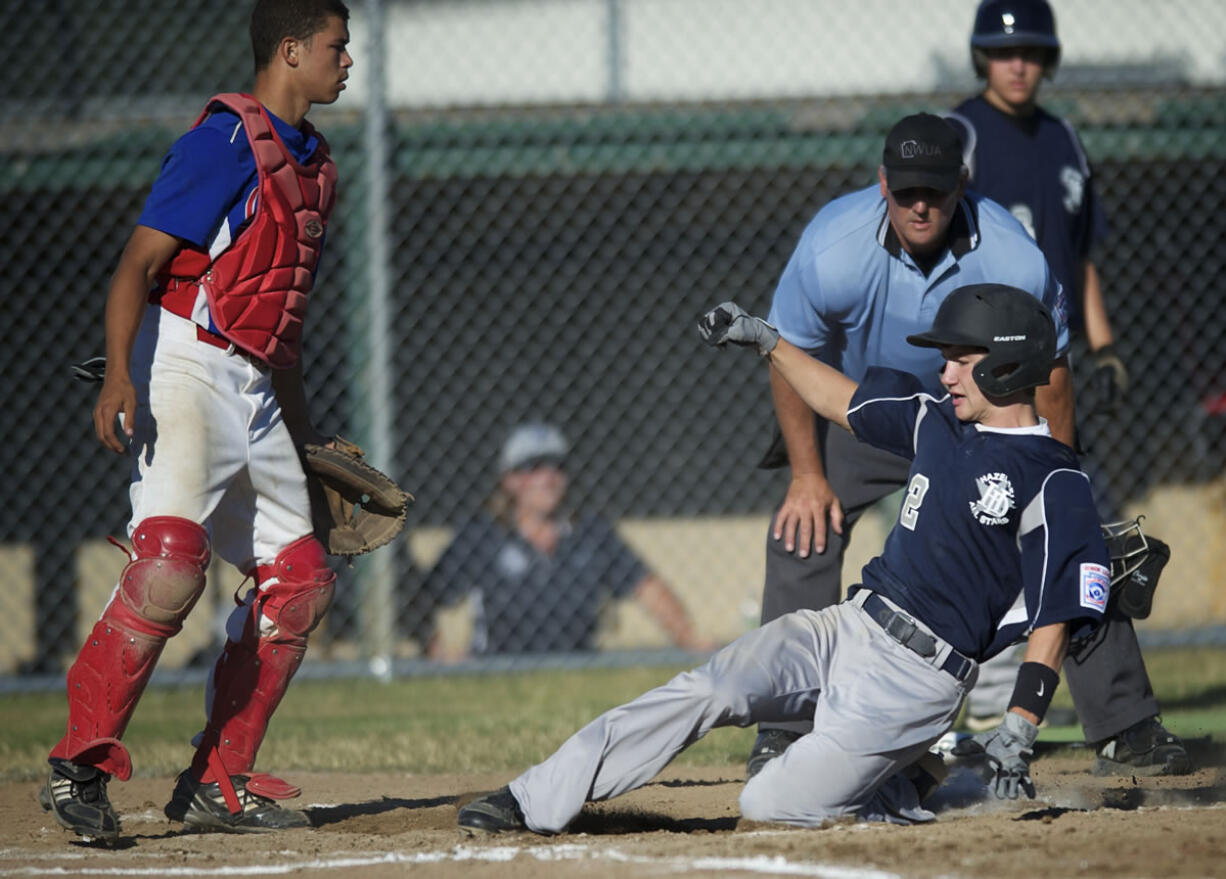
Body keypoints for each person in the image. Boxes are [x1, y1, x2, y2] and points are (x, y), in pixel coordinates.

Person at [455, 287, 1110, 834]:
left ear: (1005, 364)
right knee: (712, 685)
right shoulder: (934, 419)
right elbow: (837, 398)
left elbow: (1055, 611)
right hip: (847, 625)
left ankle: (896, 786)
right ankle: (532, 797)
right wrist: (768, 342)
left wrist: (1021, 724)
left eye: (961, 359)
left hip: (917, 680)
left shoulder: (1053, 478)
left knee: (766, 805)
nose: (945, 373)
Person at [39, 0, 354, 841]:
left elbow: (278, 326)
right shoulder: (224, 142)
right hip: (182, 360)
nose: (348, 61)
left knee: (303, 579)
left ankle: (221, 776)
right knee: (172, 565)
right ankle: (78, 765)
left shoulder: (317, 165)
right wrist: (117, 376)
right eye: (336, 46)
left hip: (254, 386)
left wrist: (304, 437)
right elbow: (135, 267)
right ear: (290, 51)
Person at [744, 110, 1076, 778]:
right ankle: (783, 727)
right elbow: (789, 352)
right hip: (877, 416)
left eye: (936, 188)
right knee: (799, 533)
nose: (920, 204)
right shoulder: (834, 246)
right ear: (881, 183)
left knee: (1073, 543)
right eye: (905, 190)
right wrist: (806, 476)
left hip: (988, 419)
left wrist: (1055, 479)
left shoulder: (1011, 253)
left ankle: (1127, 723)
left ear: (963, 182)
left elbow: (1057, 370)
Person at [943, 0, 1189, 776]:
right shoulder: (964, 133)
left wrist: (1105, 342)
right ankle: (948, 699)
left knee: (1071, 523)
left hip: (1051, 358)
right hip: (984, 363)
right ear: (981, 57)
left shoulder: (1064, 139)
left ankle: (1121, 719)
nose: (1018, 65)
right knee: (965, 518)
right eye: (1002, 52)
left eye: (1031, 53)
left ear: (1048, 60)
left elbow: (1079, 260)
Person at [418, 423, 706, 657]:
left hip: (578, 664)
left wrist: (691, 639)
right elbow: (426, 598)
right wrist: (440, 653)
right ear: (510, 480)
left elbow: (647, 588)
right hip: (498, 665)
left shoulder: (591, 534)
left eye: (557, 466)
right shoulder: (481, 535)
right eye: (534, 467)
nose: (548, 477)